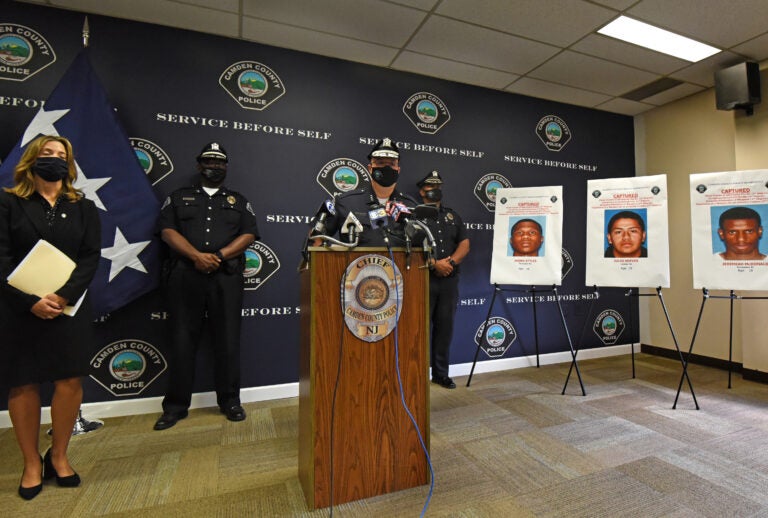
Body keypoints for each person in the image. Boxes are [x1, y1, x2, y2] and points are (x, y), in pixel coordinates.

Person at [0, 135, 101, 499]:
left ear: (69, 165)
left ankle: (59, 456)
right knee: (23, 383)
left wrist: (62, 296)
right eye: (48, 154)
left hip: (68, 308)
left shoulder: (83, 207)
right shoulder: (9, 202)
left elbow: (91, 257)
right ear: (32, 159)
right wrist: (29, 300)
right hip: (18, 309)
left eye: (62, 155)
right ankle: (30, 463)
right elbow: (1, 257)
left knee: (69, 381)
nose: (55, 160)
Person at [154, 142, 259, 431]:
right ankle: (175, 407)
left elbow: (249, 233)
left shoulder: (238, 201)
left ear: (226, 167)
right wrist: (196, 256)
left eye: (220, 162)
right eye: (209, 161)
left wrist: (220, 256)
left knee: (227, 340)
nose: (215, 166)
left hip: (226, 277)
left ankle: (230, 401)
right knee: (181, 341)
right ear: (199, 165)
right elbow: (167, 231)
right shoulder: (179, 197)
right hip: (185, 275)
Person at [418, 170, 470, 389]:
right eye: (430, 188)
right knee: (419, 329)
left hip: (449, 280)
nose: (434, 191)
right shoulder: (413, 216)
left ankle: (441, 374)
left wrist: (451, 263)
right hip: (422, 280)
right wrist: (434, 264)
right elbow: (408, 248)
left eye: (437, 187)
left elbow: (464, 243)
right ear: (422, 192)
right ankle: (418, 375)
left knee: (444, 328)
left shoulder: (452, 216)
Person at [312, 138, 411, 247]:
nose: (386, 168)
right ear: (370, 168)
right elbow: (316, 240)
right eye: (381, 163)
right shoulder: (346, 202)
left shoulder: (410, 206)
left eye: (392, 164)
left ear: (398, 169)